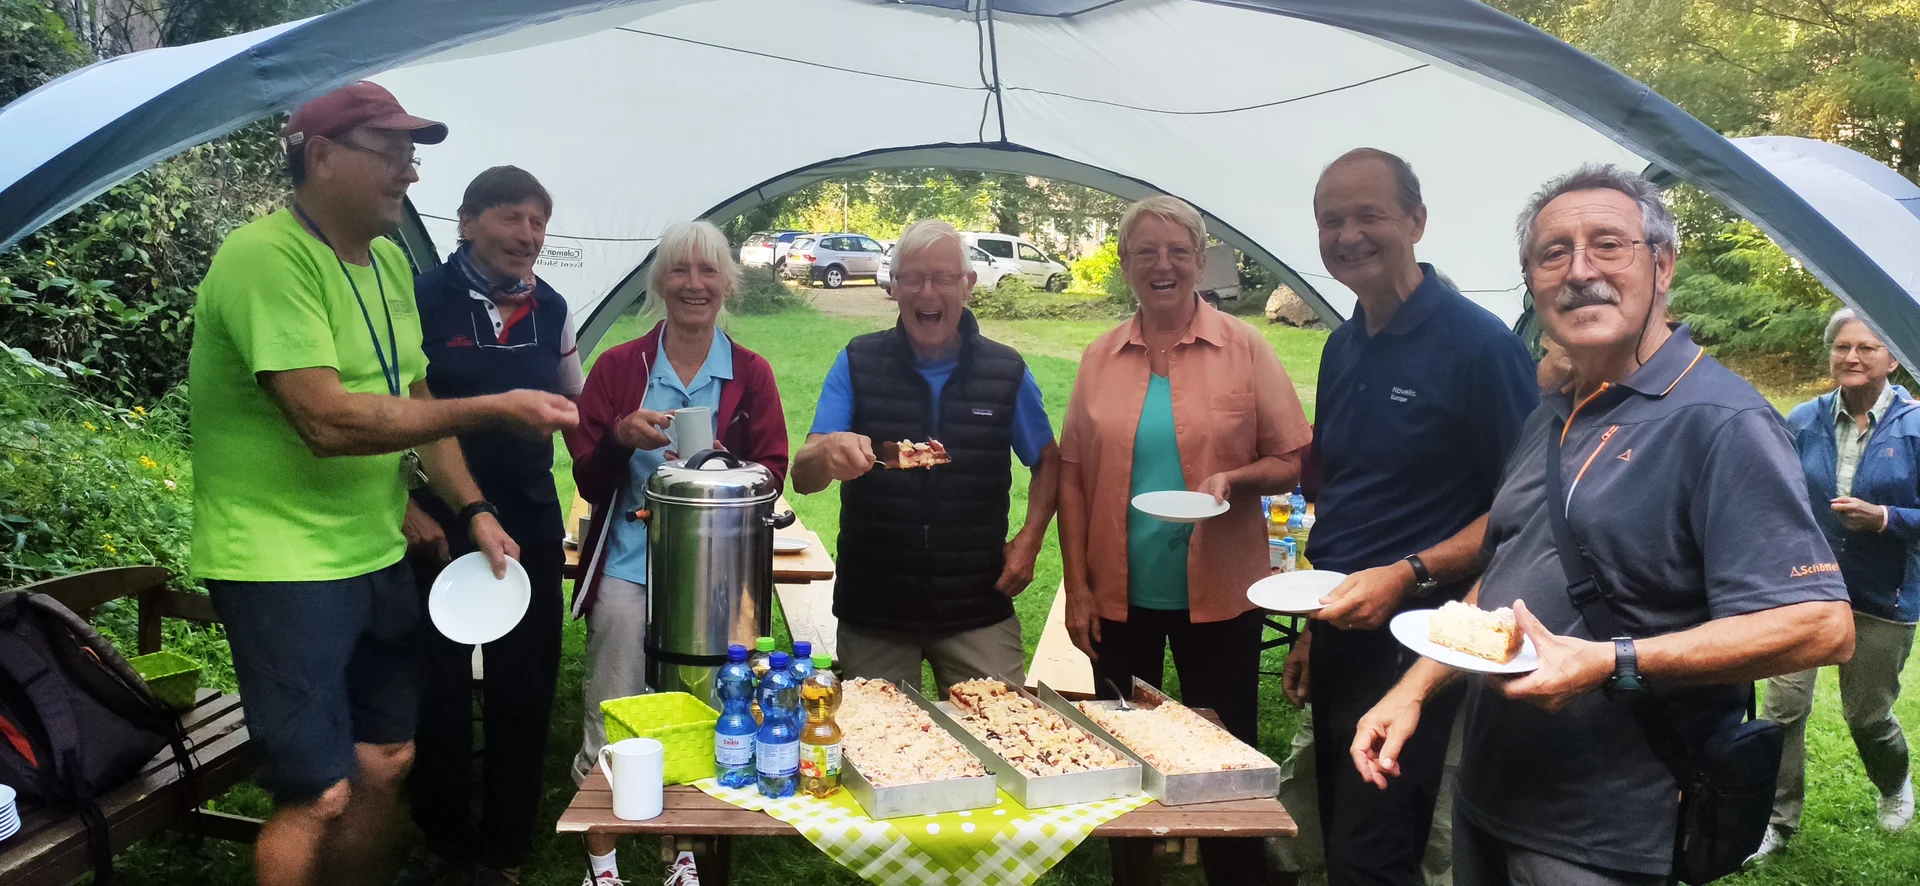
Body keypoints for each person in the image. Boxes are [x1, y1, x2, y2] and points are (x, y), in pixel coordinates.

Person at [1351, 164, 1856, 886]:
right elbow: (1512, 566)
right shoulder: (1557, 408)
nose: (1580, 271)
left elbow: (1820, 626)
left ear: (1663, 264)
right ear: (1531, 283)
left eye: (1608, 245)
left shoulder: (1720, 421)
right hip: (1491, 796)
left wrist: (1613, 662)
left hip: (1607, 834)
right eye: (1553, 254)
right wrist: (1414, 689)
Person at [188, 82, 578, 886]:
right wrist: (495, 405)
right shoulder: (266, 258)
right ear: (322, 157)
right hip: (283, 566)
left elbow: (416, 397)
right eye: (392, 152)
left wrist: (473, 508)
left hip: (373, 553)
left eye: (413, 155)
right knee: (318, 793)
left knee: (388, 759)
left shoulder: (390, 261)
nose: (410, 172)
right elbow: (325, 420)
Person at [1276, 149, 1539, 886]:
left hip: (1425, 637)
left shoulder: (1480, 347)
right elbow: (1346, 494)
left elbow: (1524, 512)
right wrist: (1313, 628)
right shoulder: (1341, 346)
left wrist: (1407, 573)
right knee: (1342, 828)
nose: (1348, 235)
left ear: (1417, 221)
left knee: (1376, 851)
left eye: (1370, 215)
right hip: (1343, 626)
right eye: (1331, 220)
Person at [1057, 195, 1312, 886]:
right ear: (1125, 263)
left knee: (1226, 757)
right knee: (1121, 751)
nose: (1162, 264)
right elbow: (1072, 477)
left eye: (1177, 250)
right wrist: (1077, 588)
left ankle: (1236, 875)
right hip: (1118, 595)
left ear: (1201, 260)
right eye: (1146, 251)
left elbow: (1290, 460)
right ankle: (1135, 874)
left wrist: (1236, 478)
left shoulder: (1245, 347)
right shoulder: (1099, 356)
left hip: (1222, 594)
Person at [564, 219, 789, 886]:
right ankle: (603, 860)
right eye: (680, 270)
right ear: (658, 283)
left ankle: (685, 850)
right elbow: (588, 479)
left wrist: (725, 468)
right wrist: (618, 439)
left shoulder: (750, 372)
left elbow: (773, 469)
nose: (695, 284)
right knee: (615, 700)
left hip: (718, 572)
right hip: (630, 560)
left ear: (728, 284)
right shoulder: (619, 367)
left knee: (710, 709)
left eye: (709, 270)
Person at [396, 166, 584, 886]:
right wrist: (404, 505)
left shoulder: (553, 307)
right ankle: (442, 839)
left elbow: (574, 408)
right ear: (468, 221)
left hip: (528, 521)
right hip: (438, 524)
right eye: (512, 218)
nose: (528, 235)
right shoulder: (420, 299)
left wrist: (608, 441)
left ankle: (504, 851)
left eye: (538, 223)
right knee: (436, 690)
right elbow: (386, 408)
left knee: (523, 688)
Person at [791, 218, 1059, 693]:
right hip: (875, 609)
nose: (927, 292)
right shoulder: (857, 361)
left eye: (943, 278)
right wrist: (826, 453)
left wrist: (1030, 541)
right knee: (879, 737)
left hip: (977, 605)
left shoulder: (1005, 370)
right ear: (893, 286)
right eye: (913, 277)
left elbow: (1049, 463)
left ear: (968, 284)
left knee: (1001, 730)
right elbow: (803, 477)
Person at [1749, 308, 1919, 860]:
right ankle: (1776, 820)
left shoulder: (1916, 426)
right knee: (1783, 709)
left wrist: (1886, 518)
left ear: (1892, 359)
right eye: (1842, 347)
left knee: (1867, 716)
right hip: (1806, 587)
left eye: (1867, 347)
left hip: (1883, 595)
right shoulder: (1804, 418)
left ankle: (1893, 783)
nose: (1852, 357)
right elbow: (1775, 492)